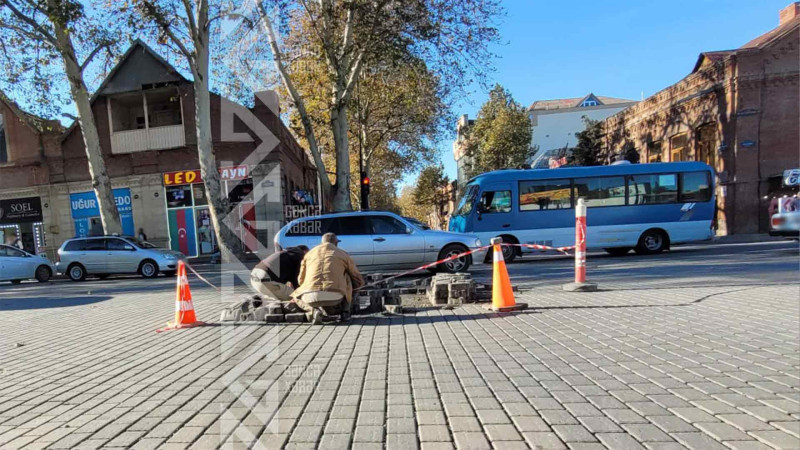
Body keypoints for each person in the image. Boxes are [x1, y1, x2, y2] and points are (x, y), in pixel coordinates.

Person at [292, 232, 364, 323]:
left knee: (295, 294)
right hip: (336, 297)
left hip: (310, 298)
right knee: (348, 277)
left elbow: (300, 280)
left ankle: (313, 311)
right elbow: (356, 276)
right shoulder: (343, 254)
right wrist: (356, 289)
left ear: (322, 242)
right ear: (336, 243)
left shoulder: (308, 254)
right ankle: (345, 312)